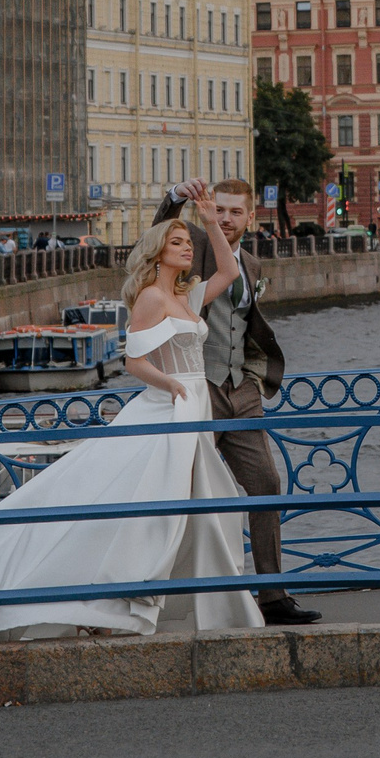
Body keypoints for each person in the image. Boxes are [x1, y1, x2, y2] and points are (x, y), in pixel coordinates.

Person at [0, 186, 265, 645]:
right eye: (177, 242)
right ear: (158, 254)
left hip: (195, 410)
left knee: (208, 507)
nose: (186, 248)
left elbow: (230, 269)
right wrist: (171, 384)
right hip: (173, 409)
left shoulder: (189, 295)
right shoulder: (151, 301)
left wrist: (210, 219)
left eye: (187, 242)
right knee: (148, 512)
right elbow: (135, 363)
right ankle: (117, 600)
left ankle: (189, 601)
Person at [157, 177, 320, 627]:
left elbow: (245, 325)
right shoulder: (193, 244)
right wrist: (175, 199)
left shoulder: (250, 261)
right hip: (198, 389)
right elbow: (157, 234)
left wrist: (250, 380)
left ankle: (272, 596)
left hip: (240, 393)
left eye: (235, 212)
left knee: (266, 483)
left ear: (251, 217)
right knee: (181, 492)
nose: (226, 219)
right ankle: (161, 594)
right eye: (220, 210)